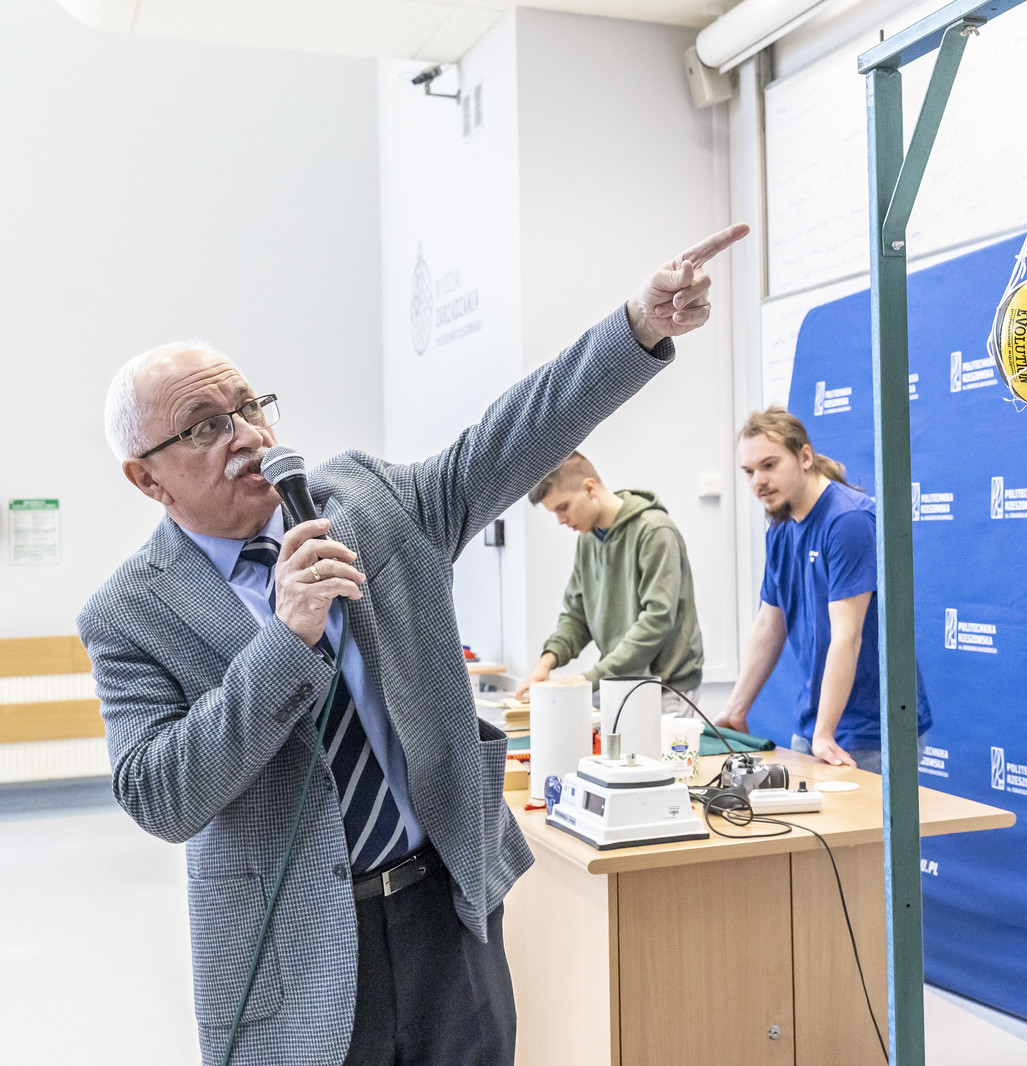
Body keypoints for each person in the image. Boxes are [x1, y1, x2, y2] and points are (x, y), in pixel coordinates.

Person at [76, 224, 747, 1066]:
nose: (247, 435)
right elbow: (161, 796)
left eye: (250, 406)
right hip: (296, 954)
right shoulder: (130, 614)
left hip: (447, 913)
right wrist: (286, 640)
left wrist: (637, 328)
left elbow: (509, 438)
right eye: (205, 426)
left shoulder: (363, 502)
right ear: (146, 477)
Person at [714, 407, 931, 769]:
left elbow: (847, 636)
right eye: (749, 471)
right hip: (815, 727)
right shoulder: (781, 527)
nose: (758, 481)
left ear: (805, 457)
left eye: (769, 465)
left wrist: (825, 733)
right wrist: (735, 709)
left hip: (873, 730)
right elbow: (769, 625)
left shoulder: (847, 520)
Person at [514, 453, 704, 714]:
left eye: (563, 507)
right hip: (619, 684)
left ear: (590, 487)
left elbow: (657, 620)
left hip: (666, 688)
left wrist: (592, 677)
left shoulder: (655, 531)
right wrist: (547, 661)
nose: (560, 520)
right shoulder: (587, 540)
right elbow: (576, 616)